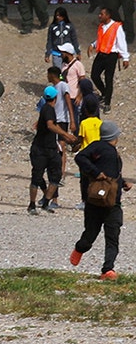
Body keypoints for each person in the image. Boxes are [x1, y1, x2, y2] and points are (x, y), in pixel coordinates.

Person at [71, 120, 130, 280]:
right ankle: (103, 266)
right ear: (114, 136)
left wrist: (123, 183)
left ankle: (106, 268)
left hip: (106, 202)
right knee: (111, 237)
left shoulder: (102, 148)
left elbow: (81, 158)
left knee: (93, 234)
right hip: (102, 200)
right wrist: (96, 172)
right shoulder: (104, 149)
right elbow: (81, 159)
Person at [30, 84, 77, 216]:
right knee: (44, 177)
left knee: (47, 176)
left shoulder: (45, 109)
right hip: (43, 149)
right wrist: (67, 135)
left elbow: (51, 125)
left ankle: (43, 202)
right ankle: (35, 204)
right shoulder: (49, 110)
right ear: (55, 98)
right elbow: (51, 125)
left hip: (46, 148)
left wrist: (64, 137)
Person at [88, 7, 130, 112]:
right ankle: (104, 92)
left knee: (108, 78)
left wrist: (125, 57)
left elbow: (121, 42)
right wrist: (93, 44)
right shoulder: (102, 26)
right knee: (94, 75)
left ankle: (107, 103)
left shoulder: (116, 27)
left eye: (101, 14)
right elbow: (101, 38)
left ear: (108, 15)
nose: (99, 16)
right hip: (101, 53)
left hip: (111, 55)